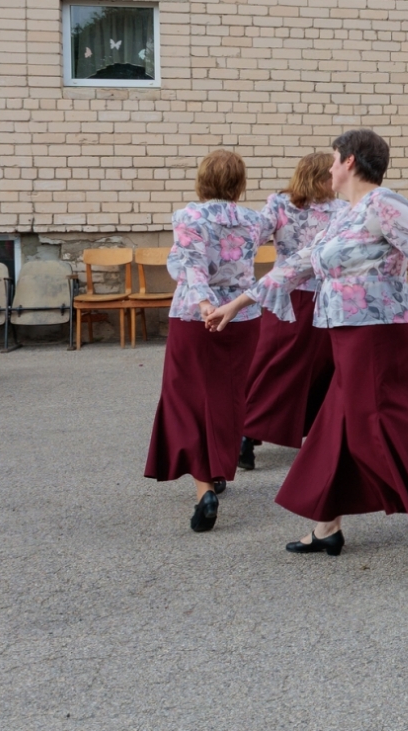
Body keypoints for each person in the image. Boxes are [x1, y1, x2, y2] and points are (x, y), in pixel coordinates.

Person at [208, 130, 408, 566]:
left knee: (375, 428)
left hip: (378, 334)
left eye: (332, 160)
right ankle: (327, 528)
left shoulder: (385, 204)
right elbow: (301, 262)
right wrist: (238, 303)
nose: (328, 168)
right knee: (335, 430)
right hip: (347, 333)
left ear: (349, 161)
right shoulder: (346, 213)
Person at [144, 150, 269, 533]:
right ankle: (218, 472)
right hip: (243, 313)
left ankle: (205, 490)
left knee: (186, 398)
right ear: (240, 183)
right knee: (228, 396)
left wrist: (203, 304)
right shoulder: (254, 219)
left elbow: (193, 265)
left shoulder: (189, 216)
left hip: (196, 316)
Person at [240, 152, 345, 470]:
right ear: (323, 176)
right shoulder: (338, 208)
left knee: (286, 364)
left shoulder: (280, 203)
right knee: (291, 366)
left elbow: (249, 241)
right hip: (305, 296)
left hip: (294, 294)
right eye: (331, 172)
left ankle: (256, 432)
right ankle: (247, 431)